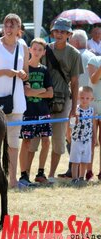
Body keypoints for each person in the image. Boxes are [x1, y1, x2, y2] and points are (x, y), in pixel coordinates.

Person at [0, 13, 29, 189]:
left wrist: (23, 74)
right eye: (6, 25)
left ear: (19, 29)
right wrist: (5, 71)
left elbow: (26, 72)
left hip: (16, 101)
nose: (9, 29)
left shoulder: (23, 46)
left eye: (13, 25)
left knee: (13, 143)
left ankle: (12, 180)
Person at [40, 18, 83, 183]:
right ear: (52, 33)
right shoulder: (45, 49)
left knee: (58, 139)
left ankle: (51, 175)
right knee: (39, 137)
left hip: (63, 99)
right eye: (56, 31)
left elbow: (75, 82)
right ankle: (39, 173)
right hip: (43, 98)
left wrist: (74, 108)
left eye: (63, 32)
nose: (59, 34)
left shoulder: (74, 54)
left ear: (68, 34)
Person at [57, 30, 95, 180]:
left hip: (77, 102)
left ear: (76, 43)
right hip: (90, 101)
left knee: (72, 137)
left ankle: (73, 170)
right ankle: (84, 172)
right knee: (86, 142)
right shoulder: (92, 56)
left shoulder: (73, 55)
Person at [18, 38, 53, 186]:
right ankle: (24, 174)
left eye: (40, 49)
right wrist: (41, 91)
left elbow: (50, 93)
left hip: (43, 112)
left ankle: (40, 173)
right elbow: (26, 92)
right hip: (28, 112)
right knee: (26, 142)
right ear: (30, 50)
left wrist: (35, 92)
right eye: (35, 49)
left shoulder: (44, 70)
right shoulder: (25, 68)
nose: (37, 52)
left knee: (46, 141)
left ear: (44, 52)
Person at [68, 86, 96, 186]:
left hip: (87, 140)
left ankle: (81, 177)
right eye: (82, 97)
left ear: (92, 99)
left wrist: (94, 137)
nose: (84, 100)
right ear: (78, 97)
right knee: (75, 161)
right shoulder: (75, 110)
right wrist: (68, 135)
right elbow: (70, 125)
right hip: (76, 139)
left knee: (84, 160)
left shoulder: (92, 111)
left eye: (87, 98)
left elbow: (93, 125)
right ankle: (74, 178)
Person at [87, 54, 101, 181]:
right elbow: (93, 80)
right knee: (90, 140)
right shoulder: (94, 60)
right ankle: (88, 171)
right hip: (92, 105)